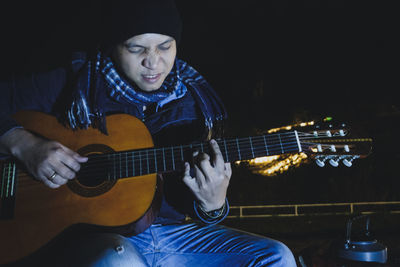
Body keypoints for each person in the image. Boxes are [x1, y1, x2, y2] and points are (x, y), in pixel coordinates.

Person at [0, 0, 297, 266]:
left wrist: (213, 204)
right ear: (113, 46)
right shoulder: (75, 84)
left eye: (165, 46)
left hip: (175, 238)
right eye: (136, 48)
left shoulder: (195, 102)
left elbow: (199, 208)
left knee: (276, 256)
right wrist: (23, 143)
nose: (153, 62)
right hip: (94, 239)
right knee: (119, 259)